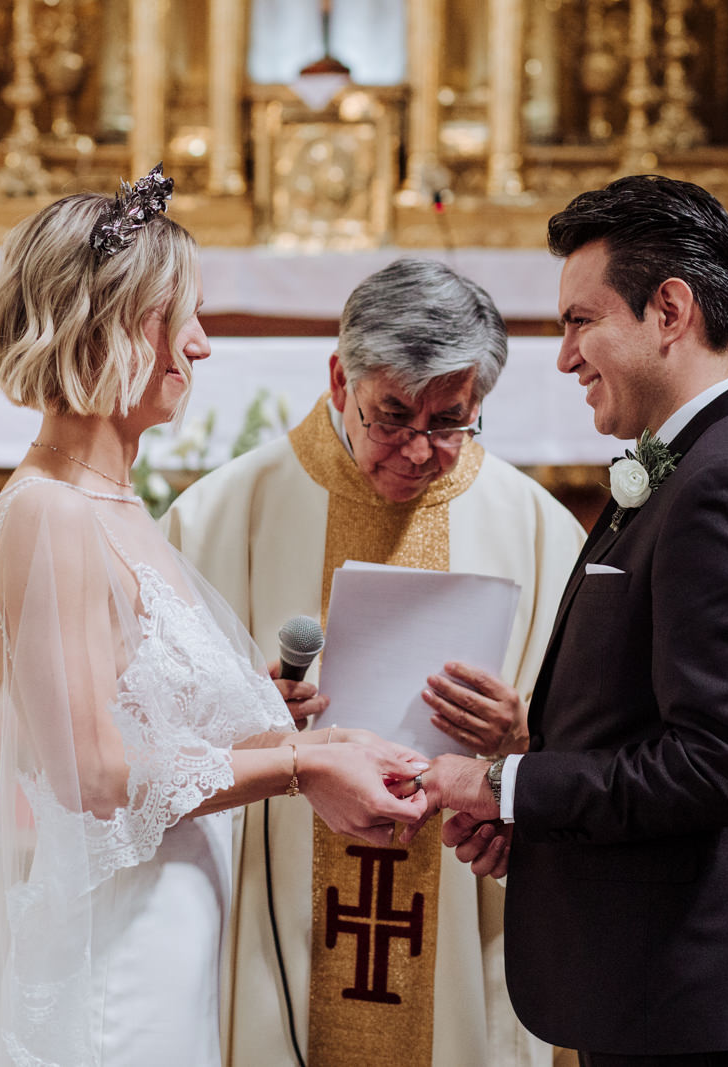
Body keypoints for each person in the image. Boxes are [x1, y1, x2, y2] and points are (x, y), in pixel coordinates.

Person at [0, 167, 430, 1067]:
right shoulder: (47, 513)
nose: (201, 346)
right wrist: (298, 765)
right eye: (183, 317)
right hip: (116, 948)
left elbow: (151, 728)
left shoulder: (120, 508)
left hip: (170, 929)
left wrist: (271, 721)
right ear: (114, 327)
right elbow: (94, 771)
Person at [410, 175, 728, 1066]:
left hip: (688, 989)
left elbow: (717, 767)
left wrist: (501, 787)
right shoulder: (704, 457)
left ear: (670, 309)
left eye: (580, 320)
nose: (565, 356)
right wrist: (539, 813)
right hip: (661, 977)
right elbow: (644, 718)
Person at [162, 258, 585, 1067]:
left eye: (451, 422)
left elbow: (593, 751)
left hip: (461, 897)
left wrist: (526, 736)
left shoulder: (539, 530)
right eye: (392, 416)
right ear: (339, 377)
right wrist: (257, 724)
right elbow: (152, 745)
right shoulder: (222, 516)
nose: (421, 450)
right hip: (279, 900)